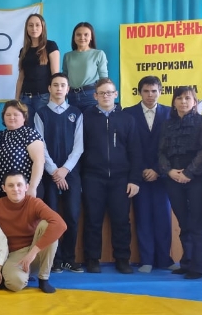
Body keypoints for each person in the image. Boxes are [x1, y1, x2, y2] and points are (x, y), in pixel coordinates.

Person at [0, 172, 66, 293]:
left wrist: (32, 253)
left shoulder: (35, 203)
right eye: (10, 185)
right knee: (14, 283)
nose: (15, 189)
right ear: (4, 188)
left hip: (36, 251)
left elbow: (60, 224)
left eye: (19, 185)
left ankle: (43, 278)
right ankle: (24, 274)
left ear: (26, 187)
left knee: (48, 225)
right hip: (14, 254)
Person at [81, 78, 141, 274]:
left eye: (109, 92)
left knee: (121, 220)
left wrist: (134, 179)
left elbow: (135, 152)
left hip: (121, 179)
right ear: (95, 96)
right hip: (93, 177)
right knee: (92, 220)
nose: (106, 96)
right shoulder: (86, 118)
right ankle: (92, 259)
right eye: (102, 93)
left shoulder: (127, 119)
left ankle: (122, 259)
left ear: (116, 94)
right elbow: (79, 149)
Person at [123, 76, 174, 273]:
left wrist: (158, 170)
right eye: (146, 91)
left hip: (162, 175)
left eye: (154, 91)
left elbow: (171, 147)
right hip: (139, 175)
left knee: (163, 218)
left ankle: (165, 259)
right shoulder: (129, 113)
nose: (150, 95)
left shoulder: (170, 113)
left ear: (160, 92)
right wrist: (143, 169)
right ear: (139, 92)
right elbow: (128, 146)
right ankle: (146, 260)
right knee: (142, 217)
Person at [159, 86, 202, 280]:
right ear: (173, 102)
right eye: (179, 98)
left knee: (197, 223)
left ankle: (198, 267)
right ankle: (186, 262)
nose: (183, 102)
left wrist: (188, 173)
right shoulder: (167, 124)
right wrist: (169, 171)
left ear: (195, 102)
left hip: (196, 178)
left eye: (187, 98)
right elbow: (161, 151)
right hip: (173, 178)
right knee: (183, 222)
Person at [34, 73, 84, 273]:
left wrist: (65, 170)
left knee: (72, 215)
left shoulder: (76, 113)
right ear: (49, 88)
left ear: (68, 89)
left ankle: (69, 258)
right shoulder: (41, 113)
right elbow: (40, 146)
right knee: (51, 218)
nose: (59, 88)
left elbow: (79, 147)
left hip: (70, 172)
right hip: (49, 173)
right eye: (55, 85)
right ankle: (55, 259)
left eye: (63, 85)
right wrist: (54, 171)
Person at [15, 13, 59, 127]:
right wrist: (16, 99)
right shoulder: (23, 50)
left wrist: (53, 97)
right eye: (30, 25)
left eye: (37, 25)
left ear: (42, 27)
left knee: (44, 130)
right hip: (25, 98)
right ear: (26, 28)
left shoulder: (51, 46)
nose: (34, 28)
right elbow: (21, 78)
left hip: (44, 97)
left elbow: (55, 75)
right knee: (27, 131)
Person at [0, 100, 45, 198]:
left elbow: (39, 161)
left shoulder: (30, 134)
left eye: (16, 114)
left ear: (24, 117)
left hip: (26, 190)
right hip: (4, 190)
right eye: (8, 115)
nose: (11, 117)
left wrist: (32, 187)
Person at [62, 22, 108, 112]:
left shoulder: (99, 54)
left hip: (91, 95)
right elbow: (64, 77)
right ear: (74, 37)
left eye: (86, 34)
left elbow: (103, 78)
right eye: (78, 35)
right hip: (72, 96)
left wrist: (102, 96)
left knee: (91, 120)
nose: (82, 37)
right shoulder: (67, 56)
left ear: (91, 37)